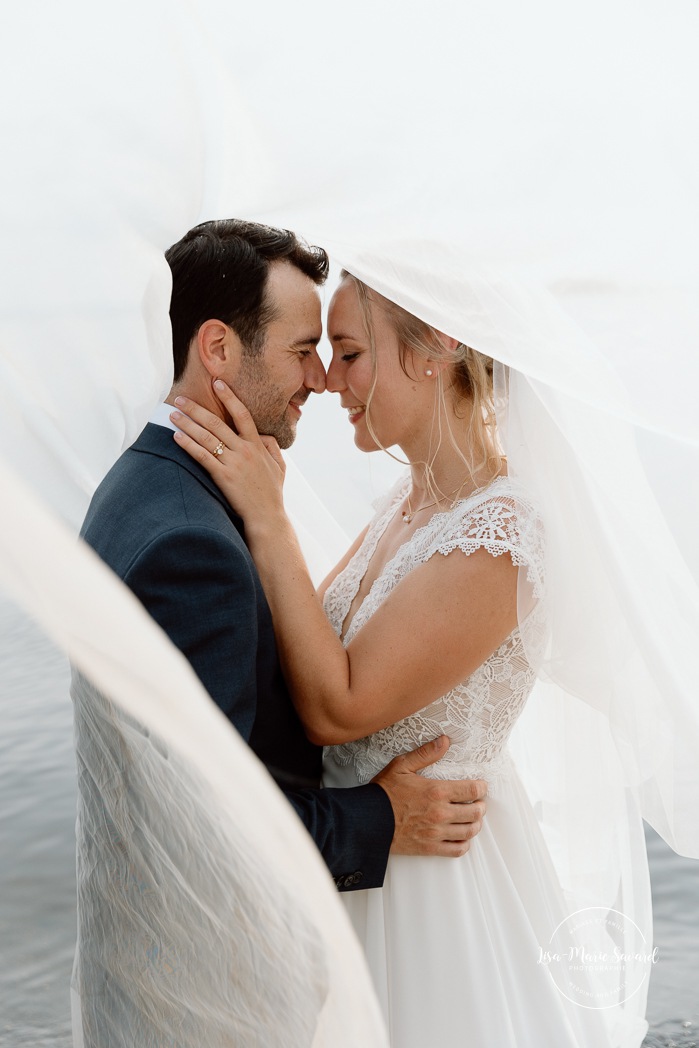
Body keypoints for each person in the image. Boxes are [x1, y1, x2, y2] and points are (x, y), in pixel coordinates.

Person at [174, 268, 619, 1047]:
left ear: (434, 350)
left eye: (348, 353)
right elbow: (311, 639)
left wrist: (268, 516)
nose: (328, 380)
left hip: (434, 892)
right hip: (369, 854)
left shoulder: (502, 534)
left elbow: (338, 706)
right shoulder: (407, 506)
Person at [70, 220, 488, 1043]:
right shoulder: (190, 540)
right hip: (207, 991)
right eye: (303, 349)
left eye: (336, 351)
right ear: (219, 349)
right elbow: (215, 824)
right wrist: (381, 818)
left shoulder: (141, 484)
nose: (319, 379)